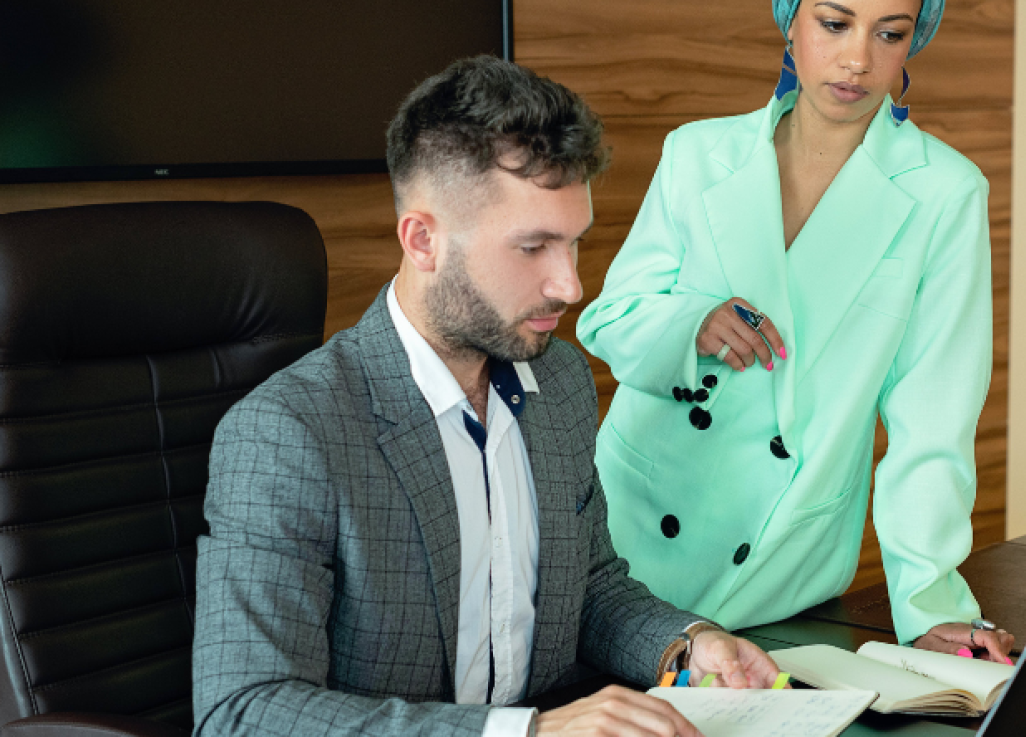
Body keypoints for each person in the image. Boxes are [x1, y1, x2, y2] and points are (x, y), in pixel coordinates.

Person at [192, 55, 781, 737]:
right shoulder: (290, 431)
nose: (570, 286)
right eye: (532, 248)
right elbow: (244, 711)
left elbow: (585, 589)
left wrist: (685, 644)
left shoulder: (558, 383)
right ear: (423, 241)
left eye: (574, 245)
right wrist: (525, 734)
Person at [577, 0, 1013, 663]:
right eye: (834, 23)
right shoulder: (697, 155)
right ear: (790, 21)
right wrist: (690, 325)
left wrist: (927, 598)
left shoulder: (945, 192)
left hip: (781, 559)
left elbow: (932, 419)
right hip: (628, 534)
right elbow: (610, 319)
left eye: (890, 33)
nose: (857, 60)